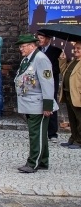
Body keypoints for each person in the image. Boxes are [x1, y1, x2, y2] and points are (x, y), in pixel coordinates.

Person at [13, 34, 56, 173]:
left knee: (35, 134)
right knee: (39, 133)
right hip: (30, 103)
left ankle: (33, 163)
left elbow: (47, 83)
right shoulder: (27, 59)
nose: (21, 49)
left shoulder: (41, 59)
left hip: (38, 104)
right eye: (20, 46)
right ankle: (43, 161)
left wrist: (48, 105)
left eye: (23, 46)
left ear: (32, 45)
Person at [36, 30, 62, 143]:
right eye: (38, 38)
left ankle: (52, 133)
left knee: (51, 105)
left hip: (50, 82)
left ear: (48, 39)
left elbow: (57, 69)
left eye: (41, 38)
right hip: (38, 83)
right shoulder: (36, 51)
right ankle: (39, 131)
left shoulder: (56, 51)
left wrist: (45, 71)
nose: (39, 40)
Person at [58, 43, 81, 149]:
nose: (76, 50)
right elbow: (64, 73)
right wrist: (62, 60)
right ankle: (73, 138)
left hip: (77, 95)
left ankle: (79, 141)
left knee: (79, 119)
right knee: (72, 119)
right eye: (75, 48)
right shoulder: (73, 61)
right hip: (69, 94)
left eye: (78, 48)